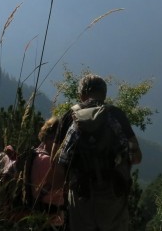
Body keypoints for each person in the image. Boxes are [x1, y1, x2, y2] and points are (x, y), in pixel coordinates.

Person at [53, 74, 142, 231]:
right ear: (104, 94)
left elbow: (56, 162)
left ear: (81, 94)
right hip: (113, 197)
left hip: (81, 196)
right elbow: (136, 158)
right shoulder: (116, 115)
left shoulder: (69, 117)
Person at [30, 116, 65, 229]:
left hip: (39, 211)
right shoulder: (46, 161)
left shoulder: (36, 153)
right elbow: (58, 188)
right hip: (50, 215)